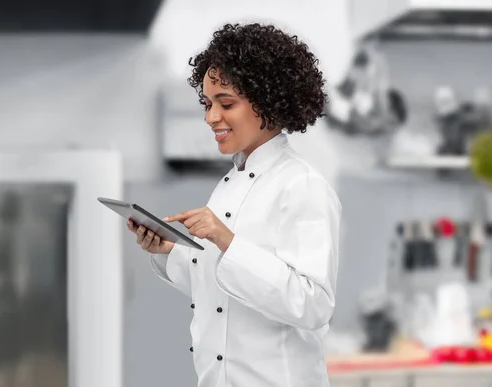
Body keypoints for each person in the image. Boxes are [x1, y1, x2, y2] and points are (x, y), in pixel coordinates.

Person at [128, 23, 341, 387]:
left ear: (269, 102)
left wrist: (227, 240)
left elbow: (314, 305)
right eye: (208, 104)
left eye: (225, 104)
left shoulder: (301, 185)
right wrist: (168, 252)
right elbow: (221, 291)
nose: (211, 117)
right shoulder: (229, 184)